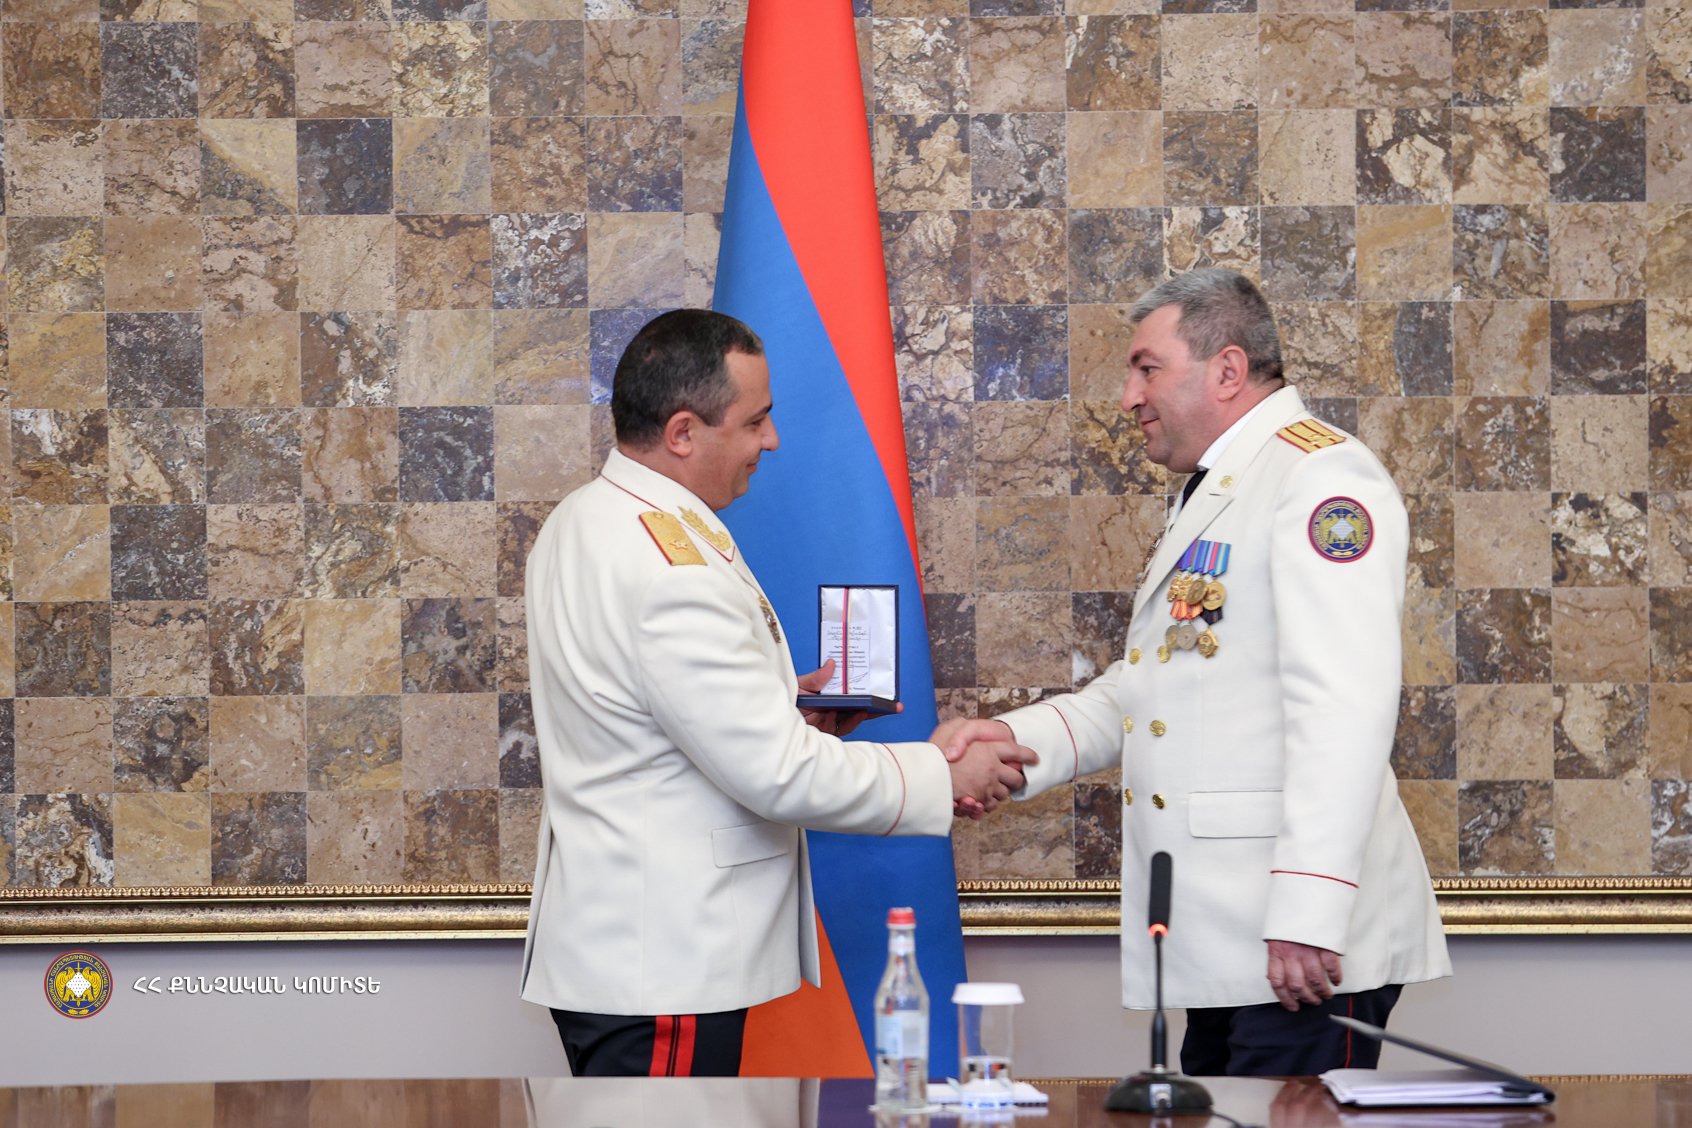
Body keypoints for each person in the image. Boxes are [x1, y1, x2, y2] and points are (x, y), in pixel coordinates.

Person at [934, 269, 1451, 1077]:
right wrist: (1009, 738)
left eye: (1147, 368)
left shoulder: (1321, 480)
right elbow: (1152, 689)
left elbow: (1344, 711)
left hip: (1297, 944)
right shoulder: (1220, 489)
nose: (1128, 396)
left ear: (1227, 370)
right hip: (1225, 941)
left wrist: (1309, 912)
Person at [520, 309, 1030, 1078]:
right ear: (684, 432)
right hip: (665, 964)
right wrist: (940, 773)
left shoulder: (589, 518)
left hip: (634, 946)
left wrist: (778, 711)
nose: (773, 440)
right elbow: (777, 773)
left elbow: (649, 714)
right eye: (755, 420)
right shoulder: (669, 564)